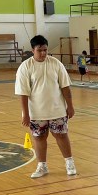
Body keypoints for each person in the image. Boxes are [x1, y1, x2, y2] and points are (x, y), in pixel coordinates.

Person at [15, 35, 77, 178]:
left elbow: (65, 87)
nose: (43, 53)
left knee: (61, 135)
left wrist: (70, 106)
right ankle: (42, 166)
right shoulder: (25, 67)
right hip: (36, 113)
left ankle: (69, 162)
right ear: (32, 50)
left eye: (45, 50)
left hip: (57, 110)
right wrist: (25, 114)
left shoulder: (56, 64)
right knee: (39, 138)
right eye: (39, 50)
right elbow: (23, 93)